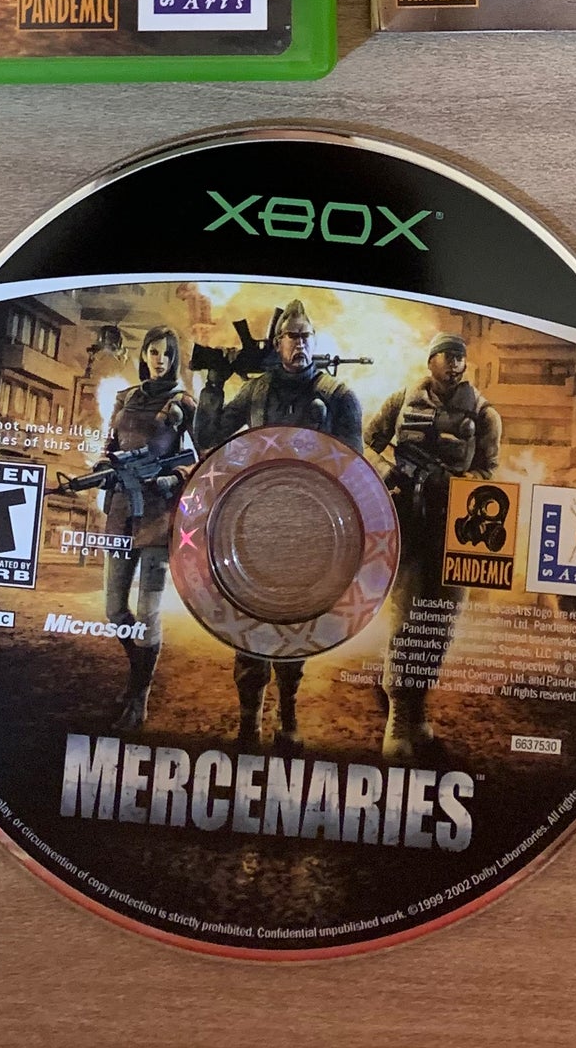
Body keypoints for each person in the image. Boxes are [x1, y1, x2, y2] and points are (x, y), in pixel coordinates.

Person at [196, 300, 363, 751]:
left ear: (314, 341)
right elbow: (208, 438)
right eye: (292, 336)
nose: (300, 344)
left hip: (312, 531)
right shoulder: (255, 392)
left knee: (294, 627)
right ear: (278, 343)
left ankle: (287, 716)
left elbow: (355, 472)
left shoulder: (338, 396)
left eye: (306, 336)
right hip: (254, 525)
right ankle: (249, 721)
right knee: (250, 630)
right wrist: (214, 383)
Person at [366, 333, 502, 761]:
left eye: (461, 357)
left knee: (439, 627)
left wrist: (456, 483)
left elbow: (489, 471)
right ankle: (398, 717)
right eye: (448, 356)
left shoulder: (484, 413)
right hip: (408, 523)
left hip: (458, 527)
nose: (455, 364)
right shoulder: (402, 399)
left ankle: (418, 711)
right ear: (431, 361)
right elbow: (368, 440)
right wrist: (388, 473)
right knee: (406, 620)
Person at [84, 328, 196, 734]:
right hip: (121, 514)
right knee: (115, 610)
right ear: (144, 354)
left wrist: (172, 479)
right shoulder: (126, 398)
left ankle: (139, 698)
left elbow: (199, 458)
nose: (159, 359)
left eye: (167, 353)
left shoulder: (183, 403)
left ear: (174, 358)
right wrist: (102, 466)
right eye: (153, 352)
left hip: (158, 519)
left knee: (147, 613)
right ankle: (139, 674)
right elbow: (110, 444)